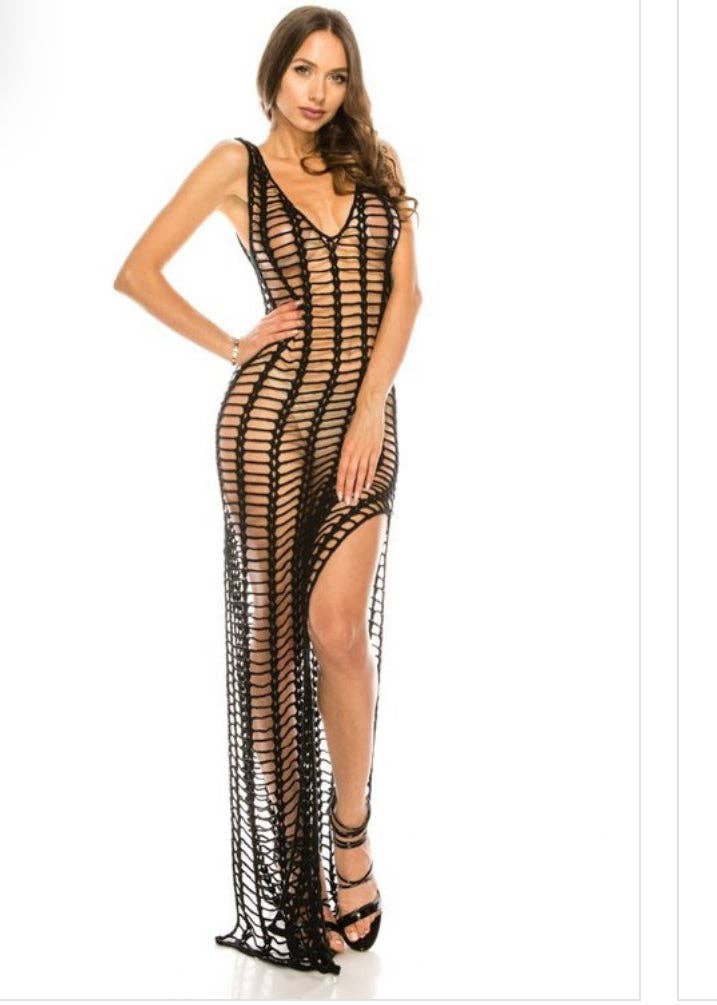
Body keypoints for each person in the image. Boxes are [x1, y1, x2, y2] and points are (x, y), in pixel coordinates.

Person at [113, 4, 421, 977]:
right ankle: (290, 875)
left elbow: (406, 297)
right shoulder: (233, 165)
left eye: (336, 74)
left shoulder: (376, 164)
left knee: (338, 630)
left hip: (359, 425)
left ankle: (350, 838)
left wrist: (370, 412)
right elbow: (137, 272)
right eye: (303, 70)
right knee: (273, 643)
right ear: (274, 74)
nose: (319, 91)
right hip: (267, 427)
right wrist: (233, 343)